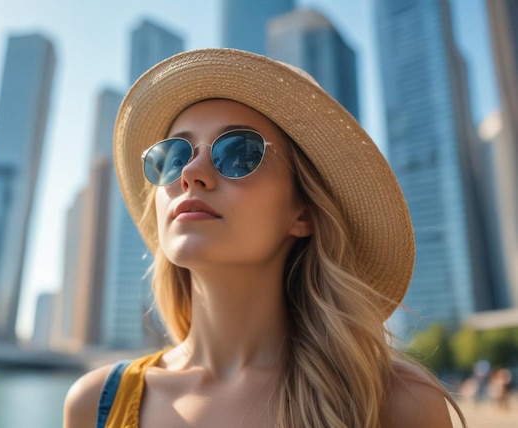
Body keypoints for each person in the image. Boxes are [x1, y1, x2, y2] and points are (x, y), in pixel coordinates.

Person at [63, 48, 466, 427]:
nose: (191, 173)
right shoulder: (96, 404)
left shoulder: (397, 403)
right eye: (174, 156)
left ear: (302, 212)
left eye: (238, 152)